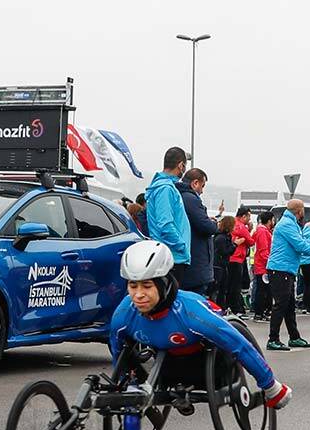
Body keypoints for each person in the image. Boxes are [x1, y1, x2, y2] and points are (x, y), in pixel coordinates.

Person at [110, 240, 292, 411]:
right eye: (133, 286)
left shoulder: (191, 312)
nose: (138, 295)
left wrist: (271, 386)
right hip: (167, 366)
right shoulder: (124, 314)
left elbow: (240, 344)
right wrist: (128, 387)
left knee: (223, 342)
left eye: (147, 286)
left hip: (209, 363)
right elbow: (118, 355)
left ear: (163, 284)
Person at [265, 199, 310, 351]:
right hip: (280, 269)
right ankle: (273, 339)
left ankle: (294, 337)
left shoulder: (291, 223)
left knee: (289, 306)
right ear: (299, 211)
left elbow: (301, 243)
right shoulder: (287, 224)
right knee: (281, 305)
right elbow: (300, 246)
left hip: (286, 269)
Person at [144, 147, 190, 279]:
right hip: (172, 257)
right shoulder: (165, 188)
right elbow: (165, 225)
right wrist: (182, 246)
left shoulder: (164, 186)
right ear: (181, 166)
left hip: (170, 255)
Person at [172, 167, 218, 295]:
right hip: (195, 264)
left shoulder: (178, 196)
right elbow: (206, 226)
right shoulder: (190, 199)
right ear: (195, 183)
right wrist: (214, 224)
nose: (202, 191)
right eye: (202, 186)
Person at [226, 206, 253, 318]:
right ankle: (237, 309)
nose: (249, 219)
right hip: (237, 258)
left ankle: (229, 307)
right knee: (236, 286)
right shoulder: (241, 227)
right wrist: (249, 231)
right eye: (248, 216)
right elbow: (251, 241)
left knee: (230, 285)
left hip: (230, 258)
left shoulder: (232, 224)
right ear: (243, 216)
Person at [250, 211, 274, 322]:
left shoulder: (262, 231)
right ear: (269, 221)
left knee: (264, 290)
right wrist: (270, 263)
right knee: (263, 291)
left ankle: (262, 312)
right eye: (272, 220)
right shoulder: (263, 232)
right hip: (263, 266)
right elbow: (264, 251)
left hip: (261, 265)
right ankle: (259, 313)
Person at [212, 216, 236, 308]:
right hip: (219, 266)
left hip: (223, 265)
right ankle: (217, 307)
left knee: (223, 289)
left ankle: (221, 306)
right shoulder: (221, 238)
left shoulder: (226, 237)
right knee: (218, 290)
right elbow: (223, 251)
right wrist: (234, 245)